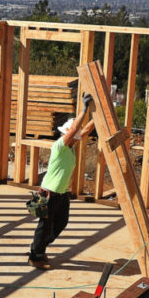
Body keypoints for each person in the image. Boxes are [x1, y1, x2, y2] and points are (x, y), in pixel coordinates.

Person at [27, 108, 96, 269]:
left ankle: (39, 246)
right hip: (48, 193)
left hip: (62, 193)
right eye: (73, 134)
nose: (76, 137)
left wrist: (98, 116)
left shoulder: (71, 147)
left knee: (61, 223)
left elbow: (84, 131)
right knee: (44, 226)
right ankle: (35, 256)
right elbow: (74, 131)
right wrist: (85, 110)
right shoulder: (59, 146)